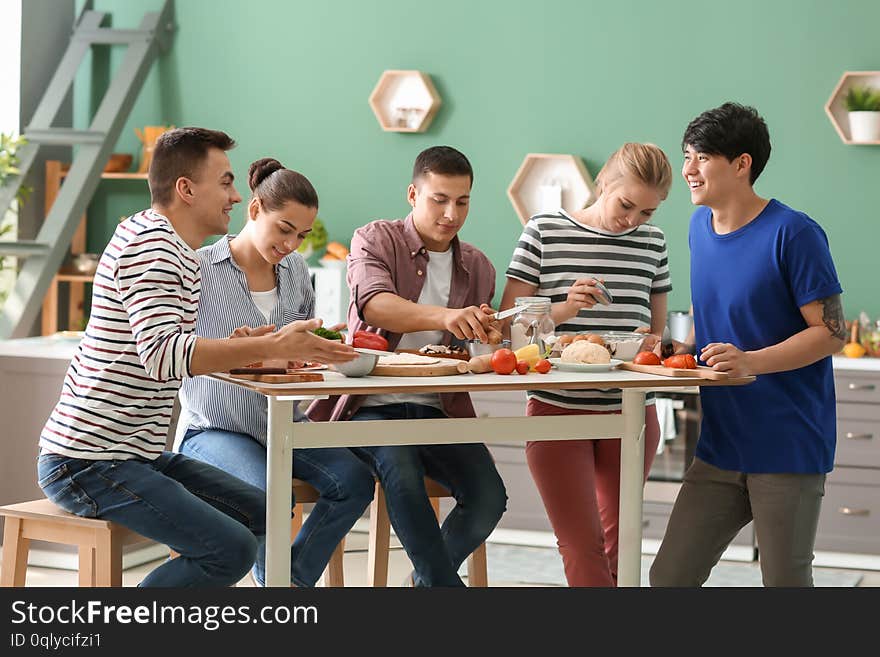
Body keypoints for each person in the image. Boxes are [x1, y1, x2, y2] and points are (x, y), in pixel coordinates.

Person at [36, 127, 356, 587]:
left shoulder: (175, 249)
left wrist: (245, 345)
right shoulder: (155, 247)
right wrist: (267, 346)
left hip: (136, 454)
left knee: (263, 513)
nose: (234, 194)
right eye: (225, 182)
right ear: (186, 189)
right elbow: (165, 356)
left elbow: (176, 349)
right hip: (87, 461)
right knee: (231, 550)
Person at [650, 102, 845, 587]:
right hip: (721, 443)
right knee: (670, 577)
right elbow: (714, 312)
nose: (688, 170)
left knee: (784, 585)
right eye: (687, 155)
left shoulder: (793, 233)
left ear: (742, 164)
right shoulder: (699, 228)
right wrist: (669, 346)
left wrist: (750, 361)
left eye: (701, 158)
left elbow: (834, 333)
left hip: (787, 444)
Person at [308, 146, 508, 587]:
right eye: (439, 199)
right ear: (413, 193)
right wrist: (446, 316)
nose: (451, 213)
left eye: (463, 201)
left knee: (490, 496)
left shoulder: (478, 266)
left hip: (440, 409)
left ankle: (423, 587)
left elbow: (485, 340)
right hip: (370, 406)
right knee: (403, 478)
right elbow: (376, 306)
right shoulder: (374, 240)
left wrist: (490, 332)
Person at [177, 157, 375, 587]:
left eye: (302, 235)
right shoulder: (199, 270)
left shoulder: (297, 271)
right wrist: (249, 348)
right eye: (284, 229)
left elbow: (295, 359)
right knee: (267, 496)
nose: (292, 244)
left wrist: (321, 350)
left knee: (355, 481)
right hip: (215, 430)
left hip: (284, 427)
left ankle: (288, 585)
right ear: (253, 210)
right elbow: (185, 355)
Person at [500, 142, 674, 586]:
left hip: (631, 409)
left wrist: (648, 341)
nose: (632, 221)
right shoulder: (544, 229)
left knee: (621, 543)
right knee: (580, 545)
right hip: (557, 406)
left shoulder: (653, 244)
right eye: (626, 204)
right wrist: (560, 310)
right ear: (603, 184)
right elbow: (509, 329)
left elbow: (654, 336)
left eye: (647, 213)